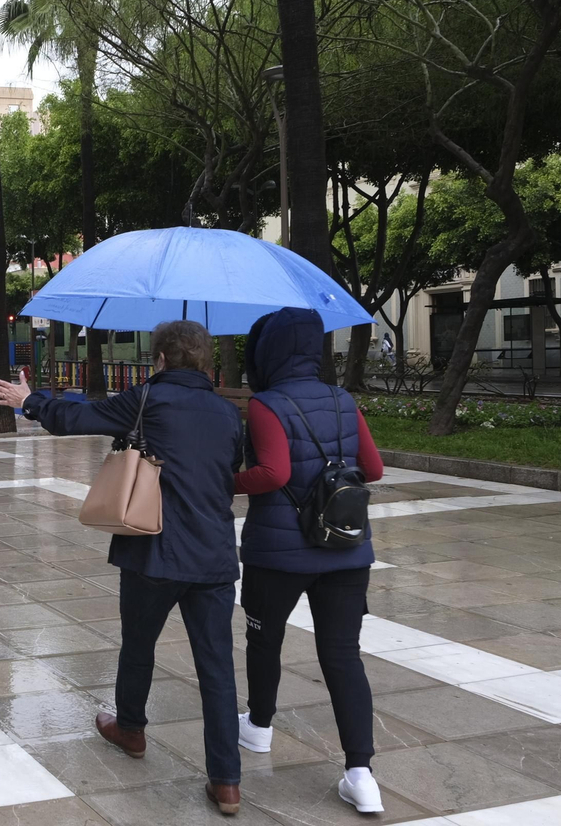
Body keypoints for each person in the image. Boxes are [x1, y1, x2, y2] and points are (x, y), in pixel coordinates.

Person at [0, 320, 245, 816]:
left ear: (162, 359)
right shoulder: (228, 412)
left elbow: (79, 418)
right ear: (205, 360)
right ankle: (227, 782)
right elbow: (232, 471)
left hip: (154, 550)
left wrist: (30, 401)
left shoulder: (149, 399)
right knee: (217, 668)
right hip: (214, 556)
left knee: (139, 645)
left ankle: (130, 729)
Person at [234, 308, 385, 814]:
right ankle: (361, 774)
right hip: (346, 548)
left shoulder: (265, 404)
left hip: (278, 553)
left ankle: (258, 727)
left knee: (265, 639)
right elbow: (375, 469)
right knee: (343, 655)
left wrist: (228, 480)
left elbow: (273, 473)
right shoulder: (343, 399)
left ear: (267, 351)